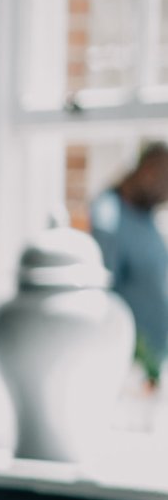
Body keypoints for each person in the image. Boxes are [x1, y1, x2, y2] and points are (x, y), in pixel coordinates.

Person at [91, 142, 168, 379]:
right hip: (128, 367)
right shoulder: (109, 214)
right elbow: (103, 294)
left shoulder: (144, 215)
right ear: (148, 172)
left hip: (153, 364)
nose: (167, 195)